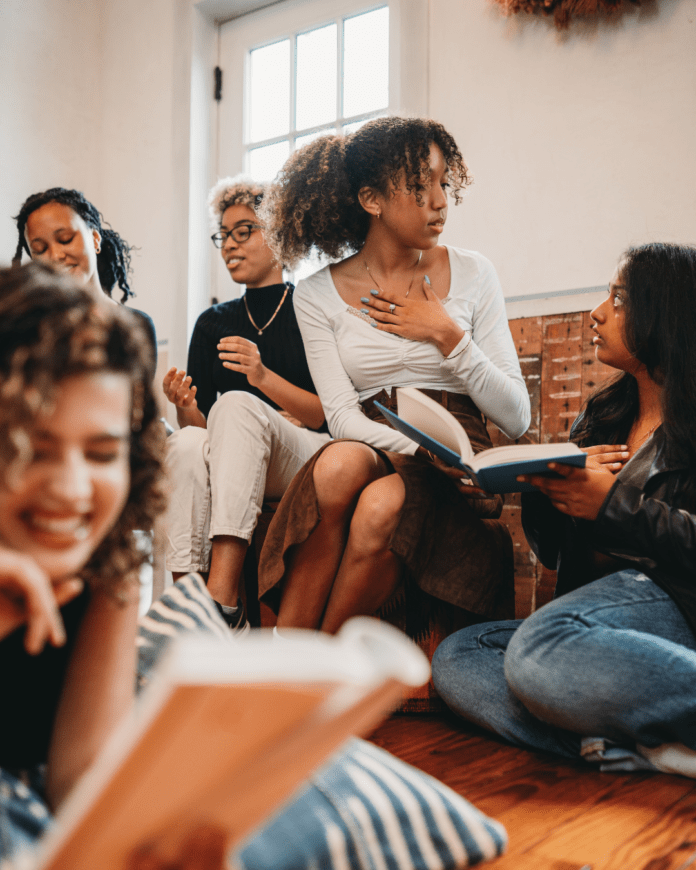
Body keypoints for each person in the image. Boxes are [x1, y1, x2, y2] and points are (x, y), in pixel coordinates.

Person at [257, 116, 530, 635]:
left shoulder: (474, 273)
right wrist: (418, 450)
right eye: (419, 186)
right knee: (338, 469)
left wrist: (448, 335)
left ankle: (311, 664)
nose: (440, 200)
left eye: (444, 183)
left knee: (381, 505)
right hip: (370, 440)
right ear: (371, 199)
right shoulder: (315, 294)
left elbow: (516, 417)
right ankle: (284, 658)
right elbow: (339, 414)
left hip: (456, 454)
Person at [431, 243, 696, 777]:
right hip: (591, 615)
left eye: (618, 299)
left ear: (663, 312)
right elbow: (552, 553)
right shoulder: (603, 415)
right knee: (460, 657)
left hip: (670, 607)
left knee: (537, 650)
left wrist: (611, 504)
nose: (597, 313)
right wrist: (543, 489)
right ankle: (640, 749)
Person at [162, 176, 329, 632]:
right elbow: (202, 427)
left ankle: (223, 598)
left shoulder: (311, 308)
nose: (229, 245)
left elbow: (327, 413)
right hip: (234, 452)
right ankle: (184, 609)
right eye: (224, 234)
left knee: (236, 403)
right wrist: (185, 407)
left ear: (277, 233)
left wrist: (262, 378)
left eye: (244, 231)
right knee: (182, 443)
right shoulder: (212, 322)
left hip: (304, 455)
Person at [12, 187, 157, 374]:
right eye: (40, 249)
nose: (55, 255)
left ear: (95, 239)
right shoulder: (31, 330)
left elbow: (140, 401)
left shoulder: (136, 326)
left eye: (65, 239)